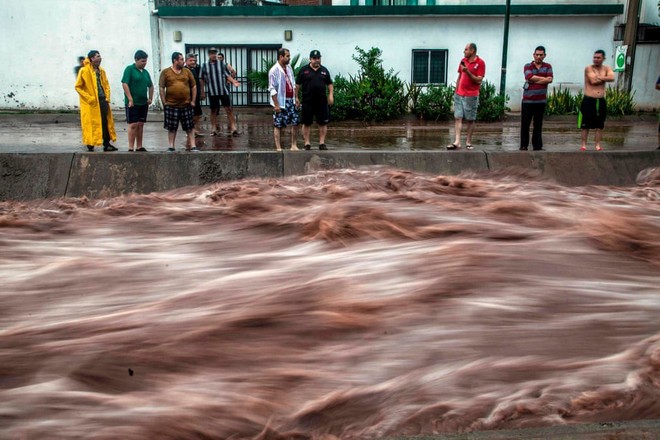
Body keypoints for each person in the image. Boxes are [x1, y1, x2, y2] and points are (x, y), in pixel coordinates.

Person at [74, 50, 117, 152]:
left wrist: (107, 97)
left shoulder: (101, 71)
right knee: (91, 123)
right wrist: (89, 98)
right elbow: (78, 87)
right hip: (91, 103)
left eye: (100, 56)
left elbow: (106, 85)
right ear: (92, 58)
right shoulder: (84, 71)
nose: (100, 58)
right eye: (98, 56)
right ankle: (90, 143)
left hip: (102, 100)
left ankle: (106, 143)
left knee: (105, 121)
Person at [447, 43, 485, 150]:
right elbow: (460, 75)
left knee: (470, 119)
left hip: (471, 95)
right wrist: (456, 89)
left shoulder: (480, 63)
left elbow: (479, 80)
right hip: (460, 94)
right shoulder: (463, 61)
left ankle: (468, 141)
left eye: (466, 49)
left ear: (472, 51)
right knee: (458, 117)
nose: (464, 51)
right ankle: (457, 141)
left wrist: (468, 72)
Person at [159, 52, 198, 152]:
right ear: (175, 60)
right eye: (181, 59)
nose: (183, 61)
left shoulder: (187, 72)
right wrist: (164, 102)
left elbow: (193, 86)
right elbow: (161, 87)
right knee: (172, 127)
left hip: (186, 104)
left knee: (189, 127)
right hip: (171, 105)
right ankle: (171, 146)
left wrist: (193, 100)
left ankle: (193, 146)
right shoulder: (166, 72)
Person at [296, 49, 334, 150]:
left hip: (321, 102)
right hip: (308, 101)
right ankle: (307, 143)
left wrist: (331, 95)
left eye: (318, 58)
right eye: (314, 58)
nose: (317, 60)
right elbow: (297, 85)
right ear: (310, 59)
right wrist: (296, 97)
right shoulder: (304, 70)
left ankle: (322, 143)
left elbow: (329, 84)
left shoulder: (324, 70)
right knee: (306, 123)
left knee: (322, 123)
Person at [579, 49, 614, 151]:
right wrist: (604, 77)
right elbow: (593, 81)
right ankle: (584, 145)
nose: (596, 59)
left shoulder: (607, 68)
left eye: (598, 58)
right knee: (585, 124)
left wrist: (599, 76)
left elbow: (612, 77)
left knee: (600, 125)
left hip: (600, 100)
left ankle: (597, 145)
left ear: (603, 58)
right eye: (594, 57)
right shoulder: (588, 68)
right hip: (589, 99)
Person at [200, 47, 240, 136]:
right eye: (212, 53)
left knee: (229, 109)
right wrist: (202, 91)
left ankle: (233, 127)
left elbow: (227, 75)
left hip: (223, 90)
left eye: (215, 53)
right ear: (209, 55)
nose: (214, 55)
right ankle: (213, 128)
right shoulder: (205, 65)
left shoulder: (222, 64)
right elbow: (201, 79)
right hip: (212, 91)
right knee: (213, 110)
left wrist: (233, 81)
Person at [520, 46, 553, 151]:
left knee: (538, 125)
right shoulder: (528, 66)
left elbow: (550, 79)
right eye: (537, 54)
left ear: (544, 56)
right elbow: (529, 77)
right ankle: (524, 145)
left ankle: (537, 146)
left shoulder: (548, 66)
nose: (538, 57)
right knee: (525, 124)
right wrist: (543, 79)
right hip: (528, 101)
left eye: (541, 55)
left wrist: (536, 79)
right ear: (533, 55)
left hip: (540, 101)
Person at [121, 50, 153, 152]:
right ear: (136, 60)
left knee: (140, 124)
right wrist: (130, 98)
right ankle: (131, 147)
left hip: (143, 102)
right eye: (142, 61)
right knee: (133, 124)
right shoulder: (130, 69)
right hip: (133, 102)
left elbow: (151, 85)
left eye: (145, 61)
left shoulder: (146, 72)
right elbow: (125, 83)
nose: (144, 63)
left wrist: (150, 97)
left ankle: (139, 146)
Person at [268, 48, 299, 151]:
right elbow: (272, 89)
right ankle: (278, 147)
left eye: (289, 56)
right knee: (278, 124)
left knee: (295, 122)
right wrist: (276, 105)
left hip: (291, 99)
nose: (289, 58)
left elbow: (293, 83)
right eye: (287, 56)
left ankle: (293, 145)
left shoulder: (289, 67)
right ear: (281, 57)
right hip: (281, 101)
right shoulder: (274, 70)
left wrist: (296, 97)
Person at [185, 53, 203, 139]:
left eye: (194, 60)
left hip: (196, 96)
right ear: (186, 61)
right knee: (190, 114)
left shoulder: (196, 69)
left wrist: (201, 92)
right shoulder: (184, 70)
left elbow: (200, 81)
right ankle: (189, 130)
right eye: (191, 60)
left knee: (198, 114)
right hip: (188, 96)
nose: (193, 62)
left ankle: (192, 129)